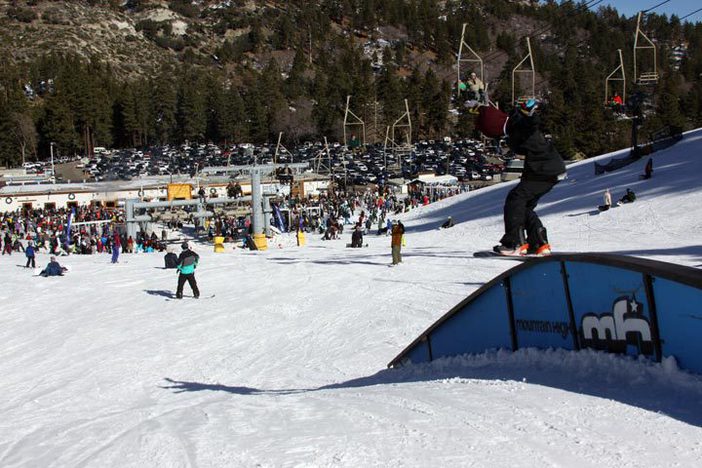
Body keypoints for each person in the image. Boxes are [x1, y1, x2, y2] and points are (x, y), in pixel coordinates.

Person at [471, 99, 566, 256]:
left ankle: (514, 243)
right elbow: (495, 116)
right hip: (545, 169)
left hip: (544, 169)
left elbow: (531, 124)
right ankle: (540, 243)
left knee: (515, 199)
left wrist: (529, 114)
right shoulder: (512, 123)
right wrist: (479, 108)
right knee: (524, 206)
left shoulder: (518, 124)